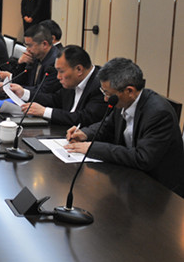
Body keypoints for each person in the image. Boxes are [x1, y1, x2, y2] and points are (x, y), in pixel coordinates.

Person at [65, 58, 184, 197]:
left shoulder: (159, 113)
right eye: (104, 92)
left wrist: (93, 148)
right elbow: (106, 126)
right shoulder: (123, 102)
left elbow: (143, 158)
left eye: (108, 94)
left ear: (129, 91)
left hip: (159, 190)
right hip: (130, 176)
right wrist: (85, 133)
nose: (105, 99)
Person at [8, 45, 107, 126]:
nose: (58, 77)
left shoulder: (101, 86)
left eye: (61, 71)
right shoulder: (73, 81)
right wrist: (24, 93)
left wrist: (44, 111)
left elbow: (83, 118)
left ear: (79, 69)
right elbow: (55, 99)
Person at [7, 24, 60, 94]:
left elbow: (43, 91)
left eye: (30, 45)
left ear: (44, 44)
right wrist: (21, 64)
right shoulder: (35, 56)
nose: (27, 49)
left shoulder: (55, 63)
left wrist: (16, 88)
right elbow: (19, 82)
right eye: (26, 45)